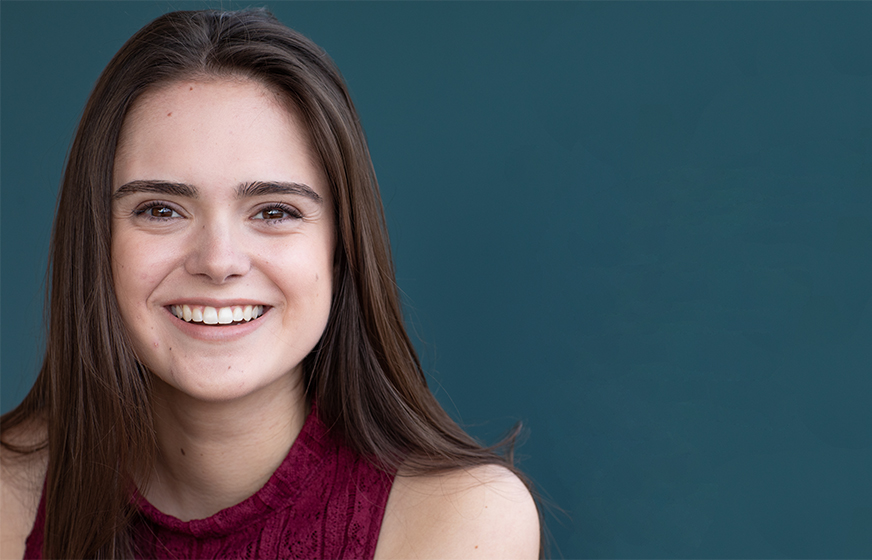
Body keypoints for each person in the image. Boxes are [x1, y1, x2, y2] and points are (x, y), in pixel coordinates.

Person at [0, 8, 540, 559]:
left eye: (275, 211)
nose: (218, 260)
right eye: (161, 209)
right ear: (94, 241)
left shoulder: (462, 521)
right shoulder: (7, 494)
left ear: (340, 248)